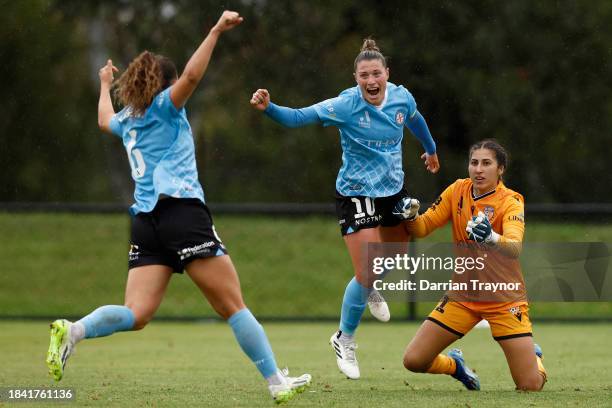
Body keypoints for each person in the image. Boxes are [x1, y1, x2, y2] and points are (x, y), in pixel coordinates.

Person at [45, 11, 311, 403]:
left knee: (136, 314)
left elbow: (104, 121)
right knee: (234, 307)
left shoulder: (127, 120)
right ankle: (276, 382)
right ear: (164, 85)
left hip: (145, 223)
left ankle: (75, 330)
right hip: (181, 213)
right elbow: (191, 77)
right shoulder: (166, 108)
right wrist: (216, 31)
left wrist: (104, 84)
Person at [250, 39, 439, 379]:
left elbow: (415, 119)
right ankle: (344, 338)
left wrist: (431, 148)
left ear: (387, 74)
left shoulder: (401, 97)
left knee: (391, 259)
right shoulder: (346, 105)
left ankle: (368, 285)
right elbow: (297, 118)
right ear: (355, 78)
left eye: (376, 74)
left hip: (393, 192)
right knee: (368, 268)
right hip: (355, 193)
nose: (371, 80)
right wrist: (270, 107)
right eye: (364, 75)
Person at [395, 139, 547, 391]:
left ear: (500, 169)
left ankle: (535, 359)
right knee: (414, 360)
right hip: (462, 297)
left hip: (505, 301)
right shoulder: (457, 190)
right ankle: (455, 366)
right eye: (474, 162)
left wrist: (491, 237)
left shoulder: (511, 201)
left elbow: (514, 246)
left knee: (530, 385)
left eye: (486, 163)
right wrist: (410, 217)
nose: (478, 169)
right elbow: (422, 227)